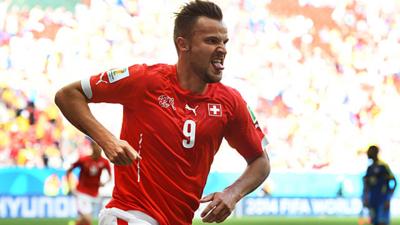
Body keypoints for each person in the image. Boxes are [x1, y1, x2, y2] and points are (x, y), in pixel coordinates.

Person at [55, 1, 270, 224]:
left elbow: (260, 161)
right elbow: (68, 95)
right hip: (130, 215)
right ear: (183, 44)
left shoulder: (230, 102)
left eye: (224, 42)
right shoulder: (146, 80)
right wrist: (107, 140)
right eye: (211, 41)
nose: (223, 49)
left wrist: (233, 193)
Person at [66, 139, 112, 225]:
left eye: (99, 146)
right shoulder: (84, 160)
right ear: (92, 147)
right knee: (88, 220)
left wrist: (104, 183)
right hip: (81, 193)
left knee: (85, 221)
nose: (97, 148)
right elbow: (69, 171)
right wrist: (69, 186)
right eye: (95, 146)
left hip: (94, 195)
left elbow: (110, 176)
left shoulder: (104, 162)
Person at [362, 145, 397, 225]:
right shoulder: (370, 168)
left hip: (382, 200)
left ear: (375, 152)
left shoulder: (383, 166)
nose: (367, 153)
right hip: (372, 201)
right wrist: (366, 198)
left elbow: (394, 182)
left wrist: (388, 198)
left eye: (369, 151)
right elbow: (367, 185)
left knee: (382, 222)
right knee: (374, 222)